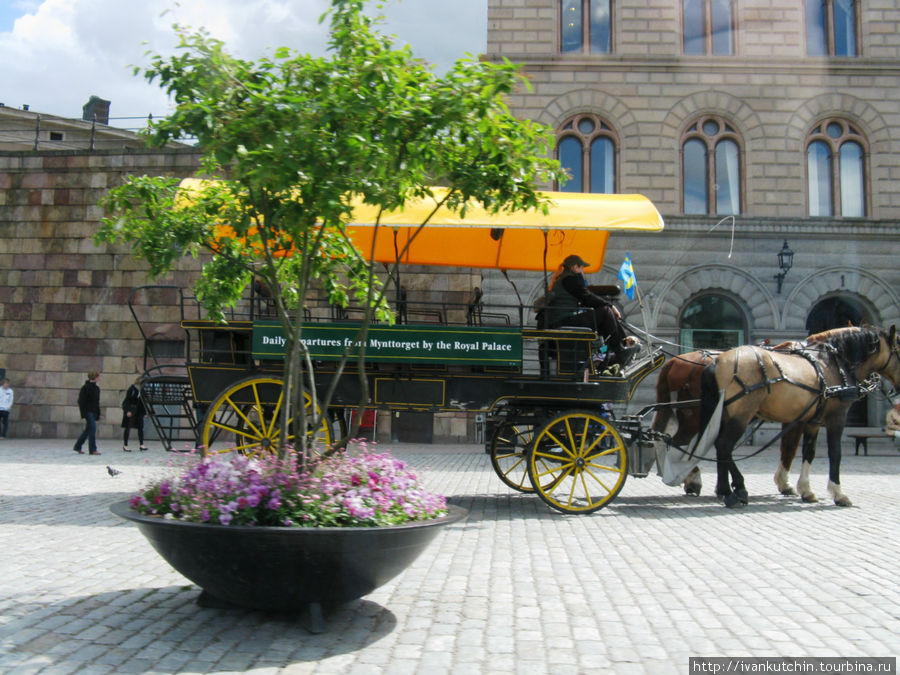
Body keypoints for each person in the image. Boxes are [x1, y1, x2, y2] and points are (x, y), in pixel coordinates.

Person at [543, 254, 637, 369]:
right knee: (605, 312)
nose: (583, 270)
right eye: (581, 267)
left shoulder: (564, 278)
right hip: (565, 320)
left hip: (565, 319)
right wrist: (610, 306)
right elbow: (586, 297)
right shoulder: (569, 279)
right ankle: (621, 349)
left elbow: (584, 297)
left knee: (604, 316)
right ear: (574, 267)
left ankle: (616, 351)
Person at [74, 371, 102, 455]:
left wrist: (98, 413)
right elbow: (81, 401)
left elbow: (97, 402)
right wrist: (84, 413)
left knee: (88, 430)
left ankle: (77, 446)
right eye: (98, 377)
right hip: (88, 412)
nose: (99, 378)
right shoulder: (85, 388)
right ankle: (93, 449)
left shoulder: (97, 388)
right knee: (92, 429)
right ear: (95, 377)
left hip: (94, 411)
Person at [121, 376, 147, 452]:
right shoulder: (132, 389)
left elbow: (143, 402)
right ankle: (125, 445)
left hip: (139, 410)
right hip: (131, 409)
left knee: (140, 427)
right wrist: (127, 411)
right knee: (128, 427)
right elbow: (127, 400)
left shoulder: (142, 390)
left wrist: (144, 412)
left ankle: (141, 444)